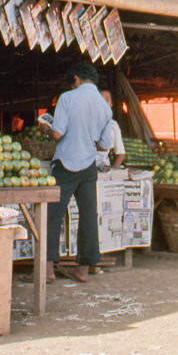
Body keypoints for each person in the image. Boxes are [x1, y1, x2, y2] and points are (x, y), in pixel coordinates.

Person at [41, 62, 114, 284]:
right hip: (88, 165)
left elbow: (57, 134)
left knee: (53, 214)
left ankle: (48, 269)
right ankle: (83, 270)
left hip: (66, 162)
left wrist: (45, 128)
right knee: (89, 216)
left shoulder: (67, 98)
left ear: (75, 79)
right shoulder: (105, 108)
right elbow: (103, 146)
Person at [97, 89, 126, 170]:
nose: (103, 103)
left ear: (111, 104)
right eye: (100, 100)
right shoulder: (86, 122)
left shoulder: (113, 125)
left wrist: (113, 171)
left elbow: (120, 153)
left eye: (107, 100)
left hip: (103, 168)